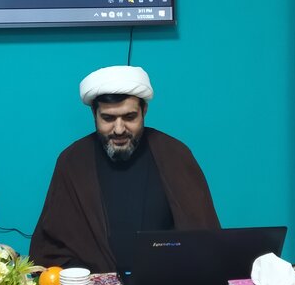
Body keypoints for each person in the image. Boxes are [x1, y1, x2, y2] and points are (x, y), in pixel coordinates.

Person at [29, 65, 220, 273]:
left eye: (129, 117)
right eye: (108, 118)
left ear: (144, 111)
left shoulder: (175, 155)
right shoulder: (72, 161)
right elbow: (51, 249)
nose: (119, 129)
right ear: (94, 113)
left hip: (165, 281)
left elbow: (203, 241)